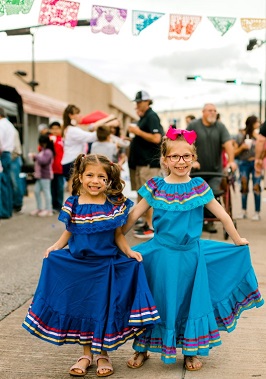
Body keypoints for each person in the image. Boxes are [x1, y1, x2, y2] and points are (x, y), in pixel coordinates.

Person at [122, 127, 264, 371]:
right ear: (165, 160)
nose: (181, 161)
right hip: (160, 256)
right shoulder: (156, 186)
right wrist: (117, 241)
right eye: (175, 157)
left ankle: (191, 350)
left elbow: (223, 215)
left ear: (193, 158)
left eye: (186, 156)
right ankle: (142, 347)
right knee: (155, 301)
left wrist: (238, 239)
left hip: (191, 257)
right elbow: (133, 215)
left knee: (190, 303)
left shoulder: (199, 187)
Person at [22, 153, 160, 377]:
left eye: (101, 177)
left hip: (105, 267)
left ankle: (103, 353)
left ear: (108, 180)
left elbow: (118, 236)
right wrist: (56, 247)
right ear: (80, 176)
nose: (95, 181)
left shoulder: (112, 205)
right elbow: (69, 230)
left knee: (102, 309)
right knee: (83, 308)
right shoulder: (74, 204)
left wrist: (129, 251)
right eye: (90, 175)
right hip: (79, 266)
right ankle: (86, 355)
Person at [187, 103, 237, 233]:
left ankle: (209, 221)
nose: (213, 112)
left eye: (215, 110)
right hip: (197, 172)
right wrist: (192, 160)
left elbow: (228, 144)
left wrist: (231, 161)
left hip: (216, 171)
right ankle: (198, 221)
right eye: (210, 110)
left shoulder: (220, 127)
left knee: (212, 193)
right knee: (195, 195)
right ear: (203, 112)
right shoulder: (193, 125)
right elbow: (186, 144)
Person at [128, 90, 164, 239]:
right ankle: (146, 222)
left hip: (148, 164)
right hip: (141, 163)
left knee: (148, 195)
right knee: (142, 194)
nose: (137, 105)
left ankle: (151, 226)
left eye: (139, 102)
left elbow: (157, 138)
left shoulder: (151, 116)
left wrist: (137, 131)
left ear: (147, 102)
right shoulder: (145, 117)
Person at [61, 104, 98, 193]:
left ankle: (74, 206)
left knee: (74, 189)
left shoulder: (70, 129)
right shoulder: (72, 130)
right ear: (71, 115)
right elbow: (91, 137)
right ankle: (74, 206)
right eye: (77, 113)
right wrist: (103, 126)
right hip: (72, 161)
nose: (80, 116)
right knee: (75, 189)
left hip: (69, 161)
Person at [234, 115, 261, 221]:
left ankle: (257, 212)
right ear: (252, 123)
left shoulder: (259, 135)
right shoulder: (240, 136)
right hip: (244, 163)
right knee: (244, 187)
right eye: (256, 122)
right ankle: (244, 211)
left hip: (256, 163)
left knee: (256, 187)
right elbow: (234, 151)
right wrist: (242, 147)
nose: (258, 124)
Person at [29, 134, 55, 217]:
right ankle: (39, 208)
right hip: (40, 175)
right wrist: (35, 157)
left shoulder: (48, 152)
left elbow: (44, 161)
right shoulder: (43, 151)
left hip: (45, 175)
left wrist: (35, 156)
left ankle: (48, 209)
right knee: (36, 191)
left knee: (46, 192)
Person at [0, 107, 15, 219]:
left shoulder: (1, 125)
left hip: (3, 154)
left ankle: (4, 211)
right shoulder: (9, 125)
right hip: (8, 154)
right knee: (7, 183)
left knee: (2, 183)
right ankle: (8, 210)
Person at [49, 121, 65, 213]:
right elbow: (40, 148)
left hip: (59, 168)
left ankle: (59, 205)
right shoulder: (49, 139)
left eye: (57, 128)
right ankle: (53, 205)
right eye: (53, 129)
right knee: (52, 188)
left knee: (59, 187)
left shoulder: (62, 140)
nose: (55, 130)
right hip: (50, 169)